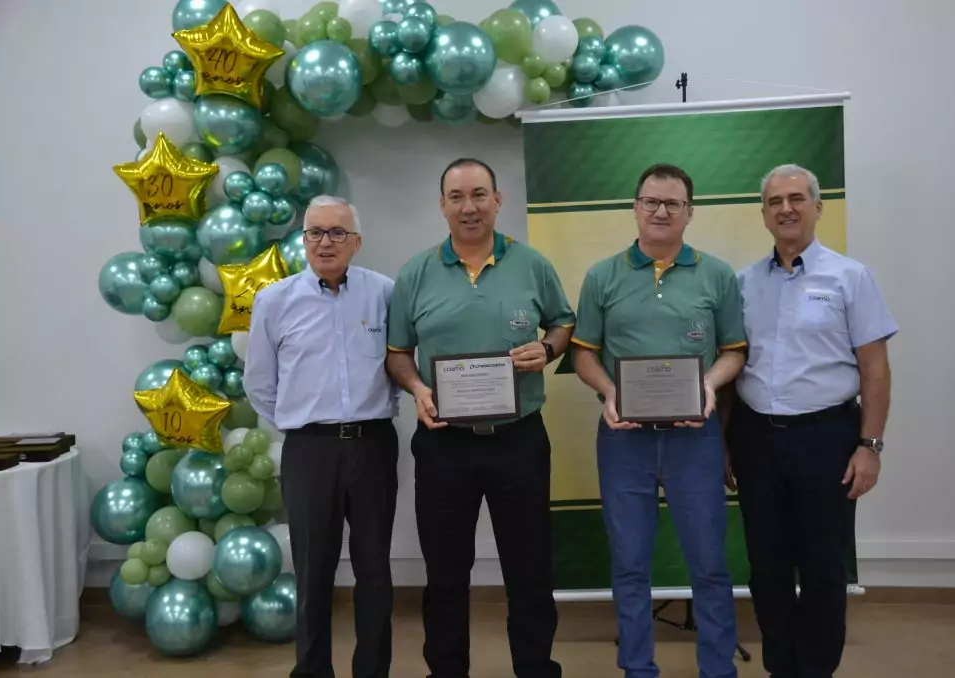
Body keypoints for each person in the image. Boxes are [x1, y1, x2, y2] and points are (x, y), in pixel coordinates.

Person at [385, 158, 574, 678]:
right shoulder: (416, 273)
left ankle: (536, 668)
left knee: (529, 570)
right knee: (446, 574)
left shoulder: (532, 264)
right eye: (457, 196)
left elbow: (563, 323)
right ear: (442, 204)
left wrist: (548, 347)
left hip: (520, 442)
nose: (469, 206)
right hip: (444, 445)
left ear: (498, 200)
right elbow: (397, 352)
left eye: (479, 194)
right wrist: (418, 387)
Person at [569, 164, 746, 678]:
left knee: (709, 563)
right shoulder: (603, 275)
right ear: (635, 207)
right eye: (651, 202)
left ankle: (718, 668)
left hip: (697, 438)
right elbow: (584, 355)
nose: (661, 212)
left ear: (690, 212)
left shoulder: (717, 274)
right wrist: (609, 392)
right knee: (629, 564)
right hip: (625, 439)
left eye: (673, 204)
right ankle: (637, 669)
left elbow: (735, 351)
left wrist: (709, 383)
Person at [726, 164, 898, 678]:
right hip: (756, 439)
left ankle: (816, 669)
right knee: (767, 567)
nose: (786, 209)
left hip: (827, 439)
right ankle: (782, 666)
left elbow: (875, 367)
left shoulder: (850, 277)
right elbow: (735, 369)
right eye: (775, 201)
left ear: (817, 207)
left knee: (824, 568)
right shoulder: (743, 284)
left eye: (797, 198)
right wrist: (723, 444)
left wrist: (870, 445)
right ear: (763, 214)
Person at [244, 195, 399, 678]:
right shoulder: (275, 300)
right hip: (309, 451)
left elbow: (400, 363)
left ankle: (372, 670)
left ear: (356, 242)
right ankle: (312, 671)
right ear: (304, 240)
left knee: (374, 570)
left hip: (373, 445)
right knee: (312, 571)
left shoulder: (385, 294)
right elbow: (259, 384)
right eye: (315, 232)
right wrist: (304, 421)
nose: (324, 242)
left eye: (336, 233)